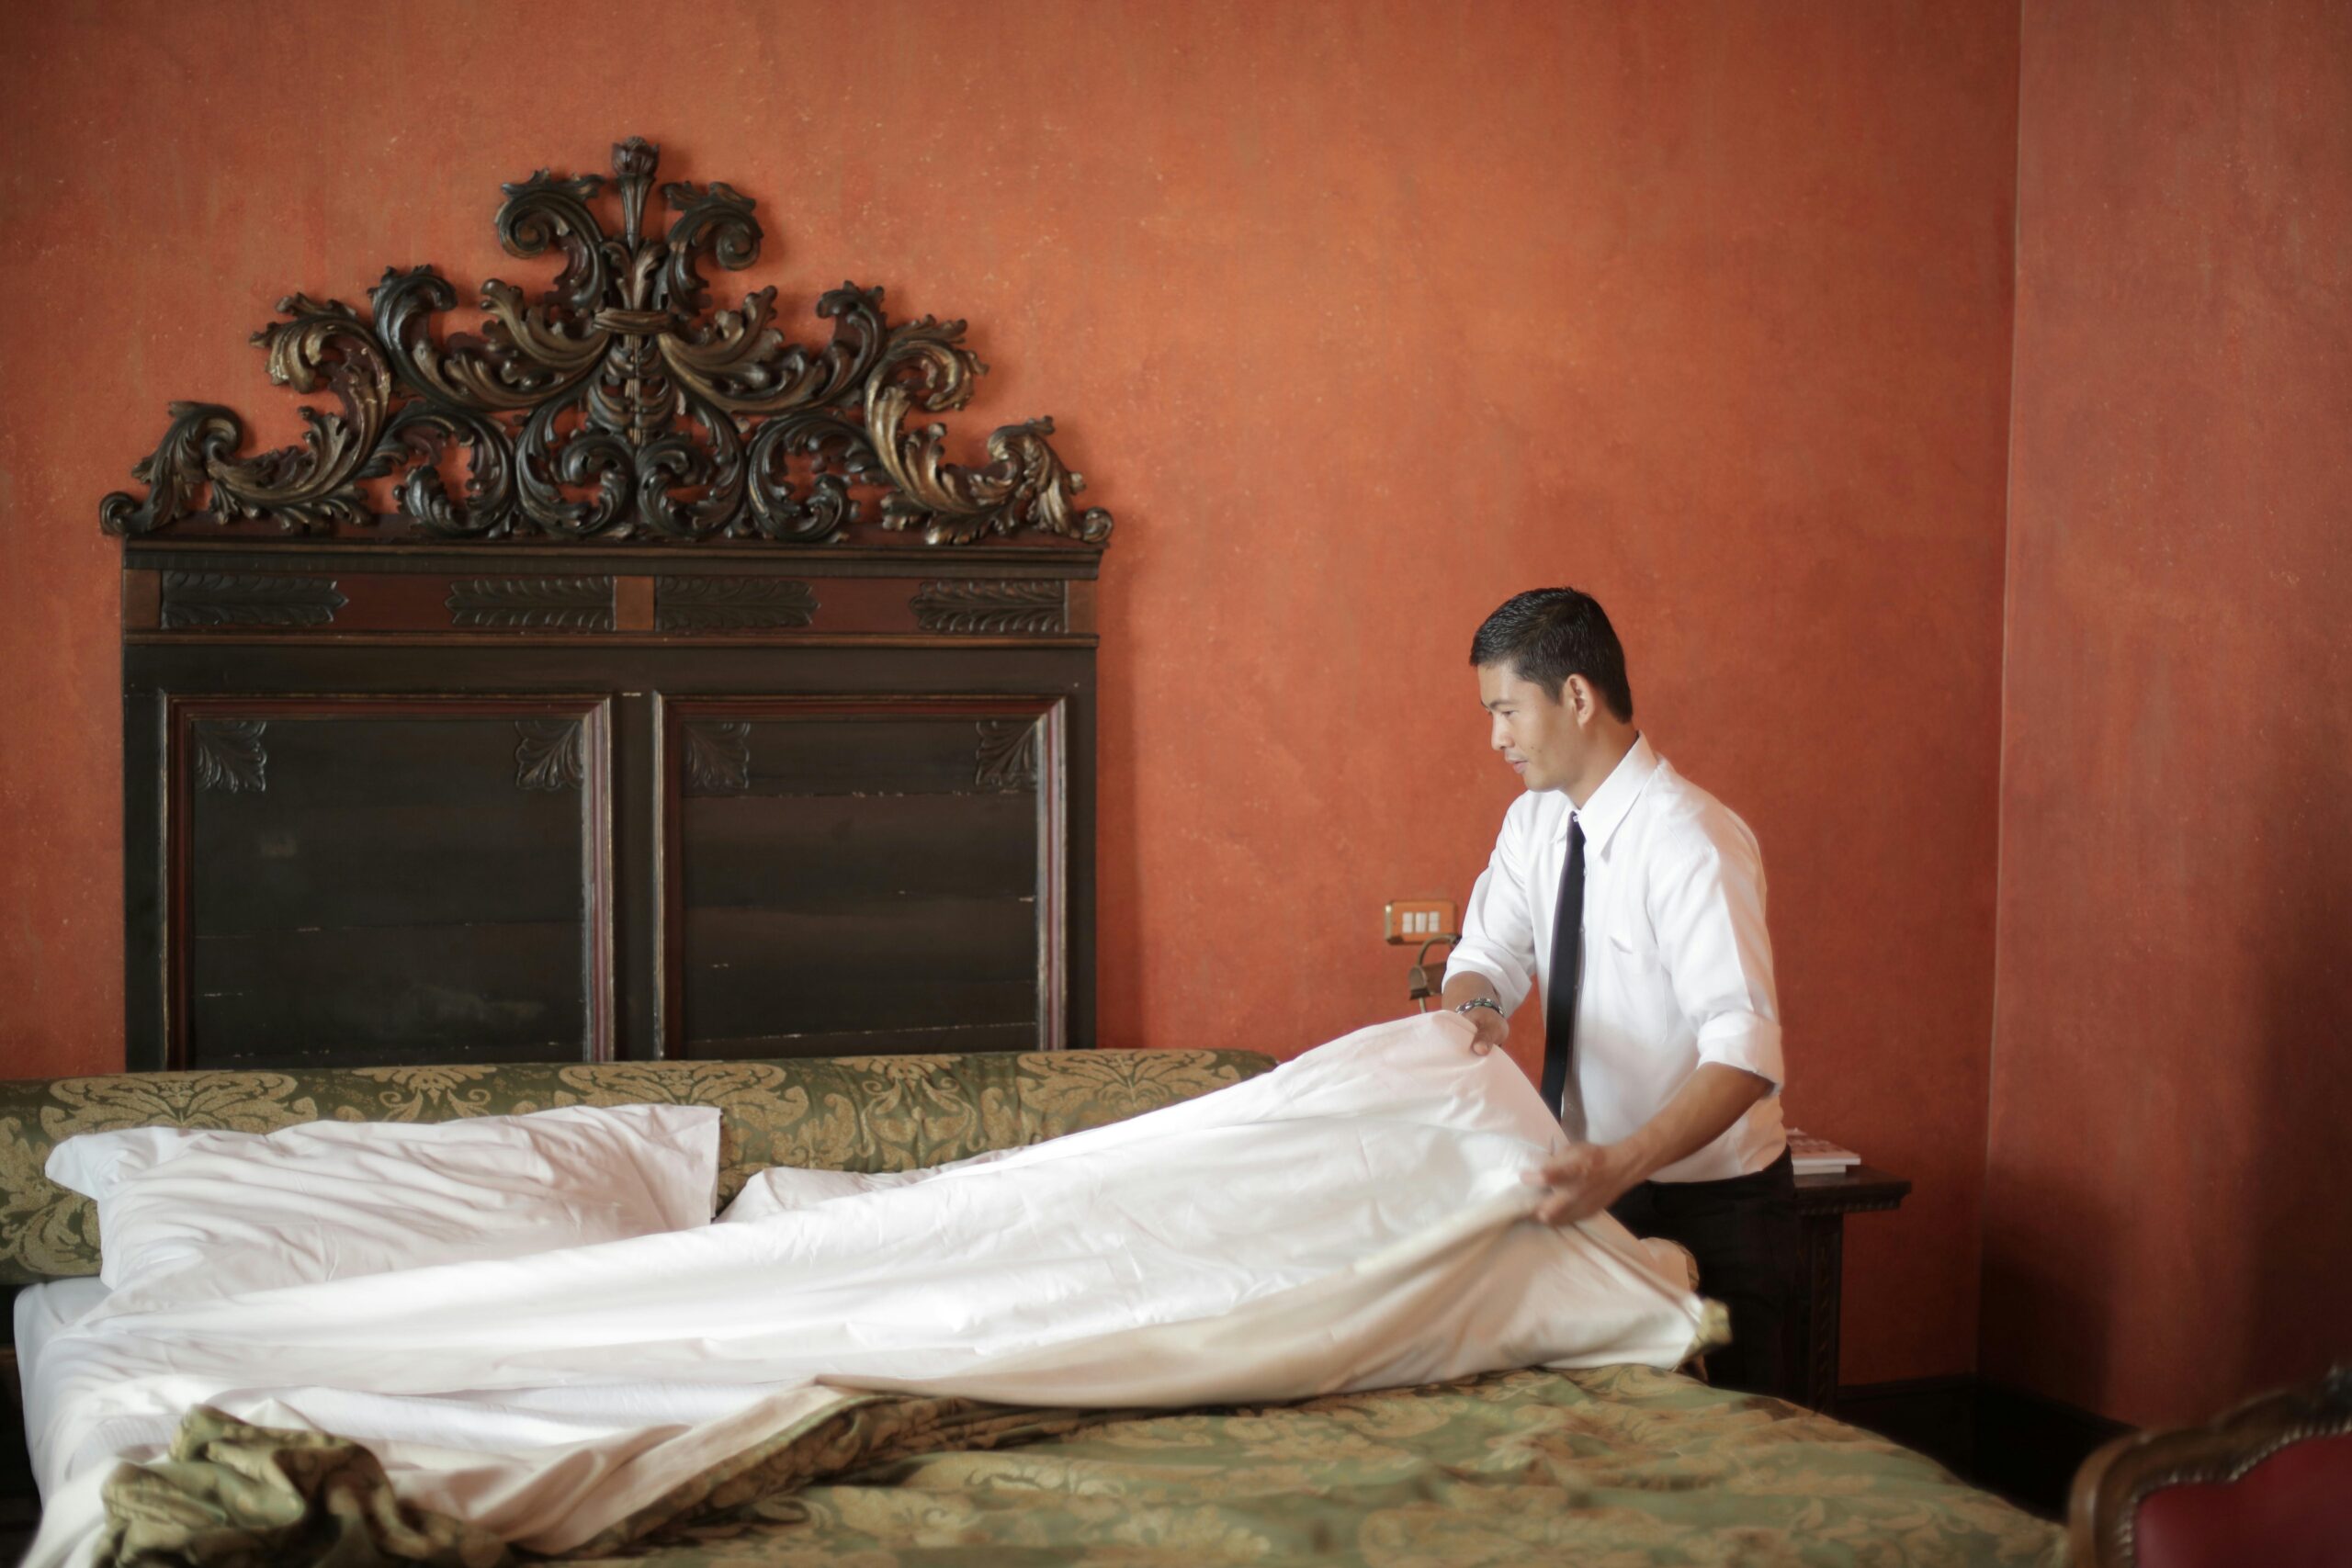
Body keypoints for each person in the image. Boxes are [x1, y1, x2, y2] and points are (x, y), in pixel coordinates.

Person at [1441, 587, 1800, 1400]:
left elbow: (1744, 1052)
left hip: (1720, 1216)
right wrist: (1475, 1009)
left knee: (1732, 1469)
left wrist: (1622, 1163)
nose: (1495, 738)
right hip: (1597, 1197)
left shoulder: (1692, 842)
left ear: (1576, 695)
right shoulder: (1532, 824)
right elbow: (1486, 955)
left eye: (1506, 711)